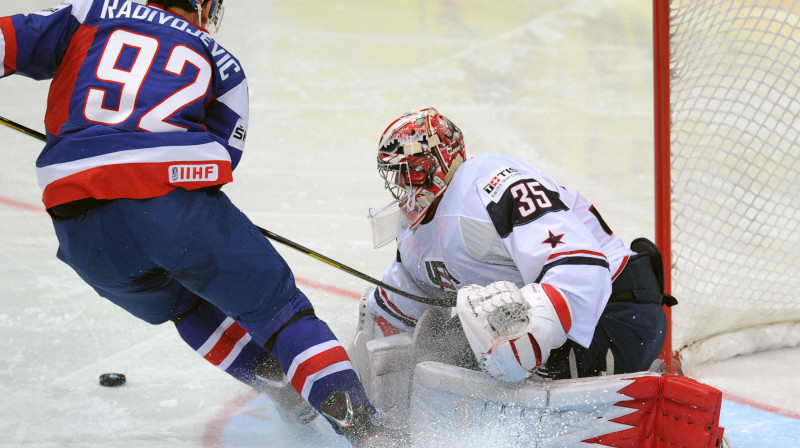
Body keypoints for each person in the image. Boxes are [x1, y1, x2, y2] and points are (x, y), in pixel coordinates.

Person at [0, 1, 397, 446]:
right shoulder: (221, 62)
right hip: (170, 208)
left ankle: (277, 384)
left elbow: (6, 39)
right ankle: (369, 433)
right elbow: (223, 156)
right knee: (279, 313)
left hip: (78, 225)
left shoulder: (90, 12)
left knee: (185, 305)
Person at [365, 107, 672, 383]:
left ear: (439, 161)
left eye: (411, 172)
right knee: (437, 347)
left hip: (618, 311)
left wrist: (530, 338)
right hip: (571, 315)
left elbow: (582, 264)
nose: (403, 185)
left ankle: (638, 379)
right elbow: (391, 313)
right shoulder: (413, 231)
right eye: (397, 176)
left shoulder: (490, 183)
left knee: (473, 335)